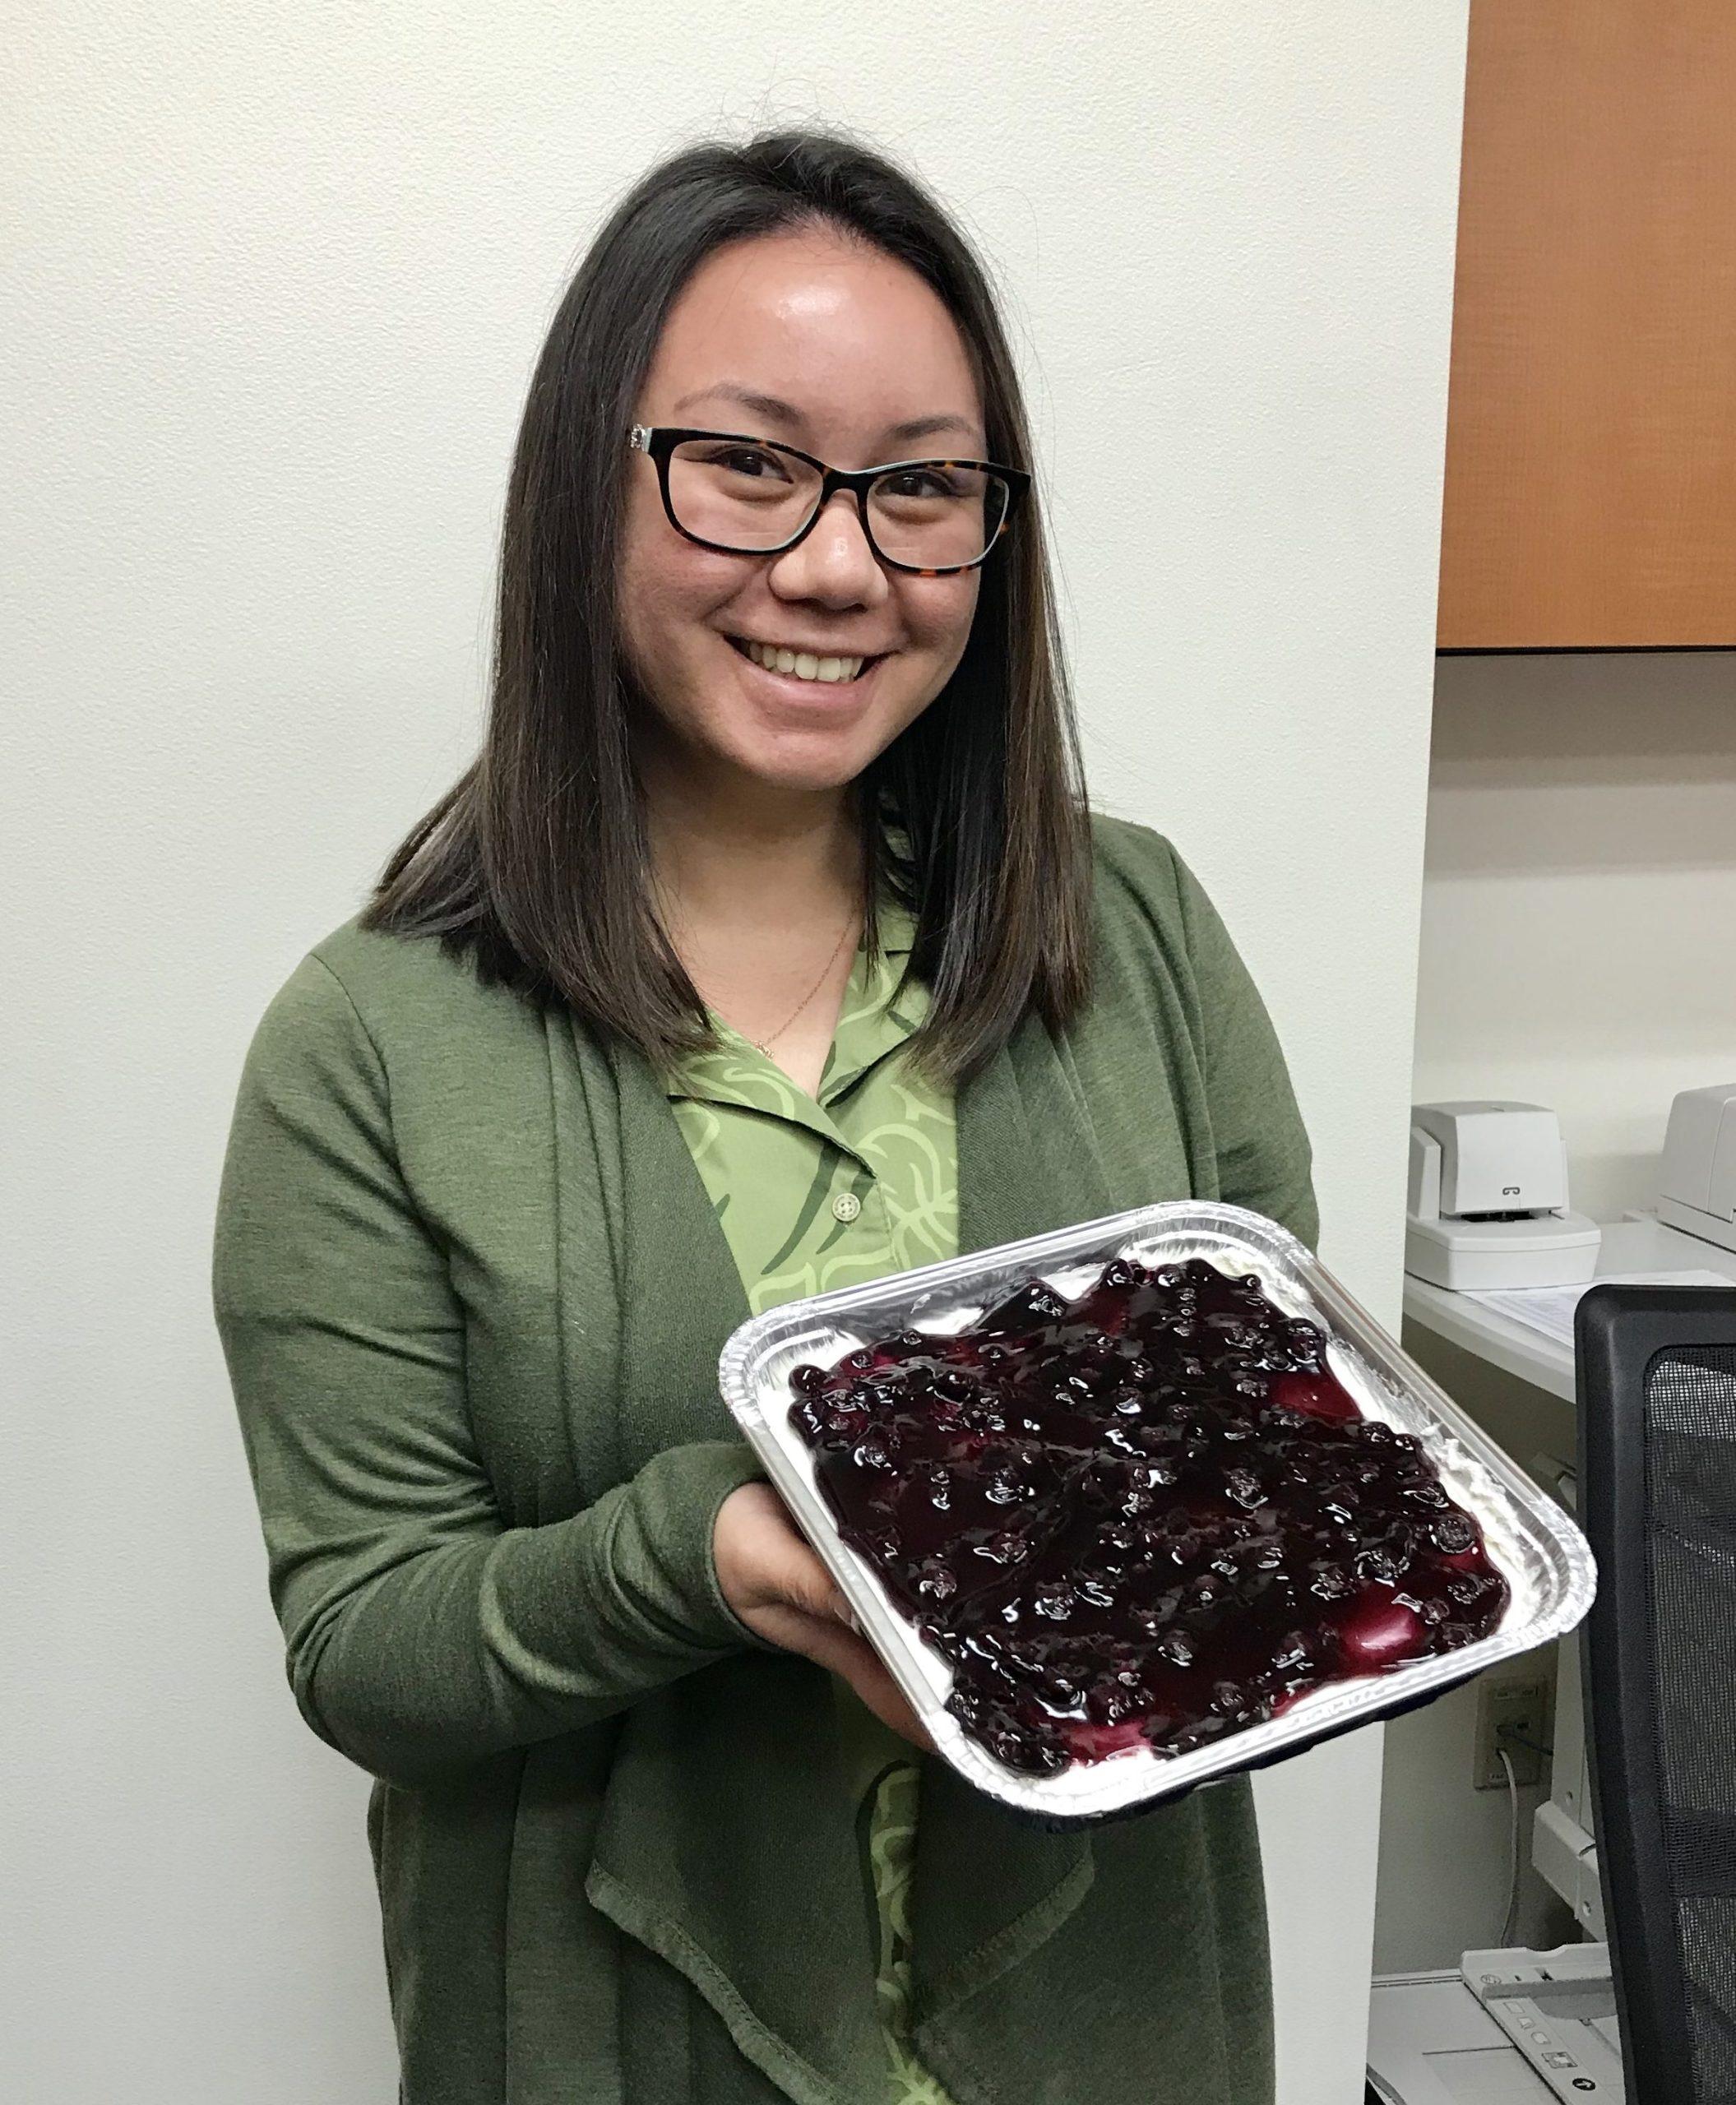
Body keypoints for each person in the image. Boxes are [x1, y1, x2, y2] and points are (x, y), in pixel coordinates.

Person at [212, 124, 1318, 2105]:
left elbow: (1284, 1452)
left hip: (1119, 2023)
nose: (836, 563)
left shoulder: (1129, 928)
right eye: (745, 461)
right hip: (611, 2035)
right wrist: (702, 1555)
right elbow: (364, 1643)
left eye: (921, 487)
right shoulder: (370, 1040)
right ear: (589, 482)